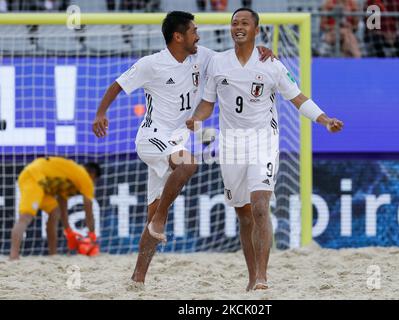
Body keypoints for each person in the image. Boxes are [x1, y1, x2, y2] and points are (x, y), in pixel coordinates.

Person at [92, 11, 274, 286]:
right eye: (193, 31)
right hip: (152, 137)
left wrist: (261, 49)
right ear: (178, 36)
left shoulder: (203, 56)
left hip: (176, 141)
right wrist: (100, 114)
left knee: (152, 211)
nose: (198, 35)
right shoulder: (151, 64)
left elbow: (236, 53)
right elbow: (118, 86)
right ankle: (162, 219)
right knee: (189, 163)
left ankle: (138, 278)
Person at [186, 8, 344, 291]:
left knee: (260, 206)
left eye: (244, 22)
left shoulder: (271, 64)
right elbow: (208, 102)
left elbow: (297, 97)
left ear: (257, 30)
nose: (238, 26)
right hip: (231, 145)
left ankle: (262, 277)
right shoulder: (218, 62)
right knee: (244, 214)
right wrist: (197, 119)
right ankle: (251, 277)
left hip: (264, 141)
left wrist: (324, 119)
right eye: (234, 22)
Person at [9, 157, 101, 260]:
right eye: (94, 181)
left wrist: (68, 230)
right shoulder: (85, 177)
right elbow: (89, 212)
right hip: (34, 177)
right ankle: (13, 256)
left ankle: (53, 254)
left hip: (40, 181)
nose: (93, 183)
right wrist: (92, 236)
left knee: (55, 211)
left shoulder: (72, 175)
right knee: (25, 217)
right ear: (92, 174)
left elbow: (62, 203)